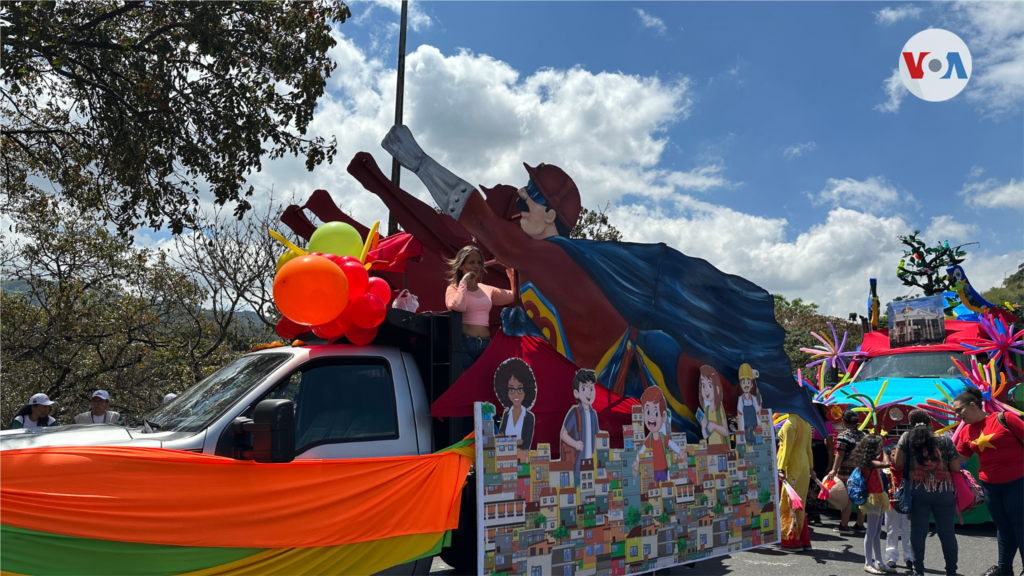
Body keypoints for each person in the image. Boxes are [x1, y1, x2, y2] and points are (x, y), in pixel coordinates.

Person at [954, 387, 1024, 576]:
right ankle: (1004, 570)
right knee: (1002, 527)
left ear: (973, 404)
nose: (957, 415)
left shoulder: (1005, 419)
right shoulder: (966, 431)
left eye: (959, 410)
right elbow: (959, 458)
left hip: (1018, 482)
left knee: (1020, 525)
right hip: (991, 486)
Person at [894, 409, 958, 576]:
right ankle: (951, 571)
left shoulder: (906, 437)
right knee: (947, 532)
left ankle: (918, 570)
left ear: (910, 424)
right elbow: (956, 467)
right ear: (930, 422)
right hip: (943, 489)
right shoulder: (945, 440)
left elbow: (898, 462)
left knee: (918, 531)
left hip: (917, 489)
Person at [445, 245, 515, 370]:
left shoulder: (487, 289)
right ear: (462, 266)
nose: (476, 266)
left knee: (484, 384)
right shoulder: (454, 288)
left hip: (486, 345)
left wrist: (509, 269)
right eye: (472, 262)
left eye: (479, 262)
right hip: (464, 345)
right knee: (467, 384)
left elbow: (515, 295)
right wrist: (464, 283)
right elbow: (457, 306)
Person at [851, 434, 892, 574]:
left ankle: (878, 561)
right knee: (871, 531)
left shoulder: (868, 461)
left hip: (879, 496)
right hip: (873, 498)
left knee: (877, 531)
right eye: (878, 447)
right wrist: (885, 450)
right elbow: (887, 463)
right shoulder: (869, 462)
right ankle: (868, 562)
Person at [777, 413, 814, 551]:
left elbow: (787, 448)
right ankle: (804, 540)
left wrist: (780, 468)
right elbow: (809, 449)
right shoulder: (805, 423)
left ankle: (791, 541)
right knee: (800, 503)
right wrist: (811, 468)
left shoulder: (789, 424)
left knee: (788, 503)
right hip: (804, 465)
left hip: (792, 465)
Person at [827, 409, 867, 533]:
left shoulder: (843, 436)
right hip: (860, 469)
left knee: (847, 497)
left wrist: (834, 469)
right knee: (859, 495)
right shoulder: (863, 435)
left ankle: (844, 525)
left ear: (844, 421)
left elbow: (840, 454)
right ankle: (859, 525)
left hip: (845, 469)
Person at [632, 386, 684, 481]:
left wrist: (680, 451)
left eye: (656, 413)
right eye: (648, 412)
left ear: (663, 416)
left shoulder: (663, 437)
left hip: (664, 470)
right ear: (644, 415)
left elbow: (671, 444)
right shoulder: (649, 439)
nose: (651, 416)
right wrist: (636, 461)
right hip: (653, 471)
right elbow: (641, 451)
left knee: (665, 488)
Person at [560, 369, 599, 486]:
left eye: (591, 388)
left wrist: (595, 456)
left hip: (590, 463)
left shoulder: (593, 414)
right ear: (576, 393)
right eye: (584, 388)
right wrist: (575, 444)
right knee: (578, 492)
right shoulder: (574, 412)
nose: (589, 393)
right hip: (577, 465)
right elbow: (563, 433)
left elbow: (596, 436)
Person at [494, 358, 537, 451]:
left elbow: (525, 445)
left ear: (526, 390)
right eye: (511, 389)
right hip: (504, 459)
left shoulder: (529, 417)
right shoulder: (506, 414)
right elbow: (499, 440)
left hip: (521, 461)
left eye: (520, 389)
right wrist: (517, 441)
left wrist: (506, 441)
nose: (516, 394)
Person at [883, 445, 913, 572]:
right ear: (889, 457)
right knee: (891, 531)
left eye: (900, 454)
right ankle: (891, 557)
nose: (897, 457)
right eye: (894, 454)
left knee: (908, 530)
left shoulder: (909, 470)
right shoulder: (886, 471)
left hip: (907, 505)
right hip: (891, 505)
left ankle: (909, 557)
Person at [698, 365, 729, 445]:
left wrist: (715, 426)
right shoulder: (707, 410)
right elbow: (705, 436)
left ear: (717, 389)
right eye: (703, 385)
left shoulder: (719, 408)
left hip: (721, 446)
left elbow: (725, 431)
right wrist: (703, 427)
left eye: (709, 385)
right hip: (711, 446)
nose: (705, 390)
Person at [736, 363, 761, 444]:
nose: (746, 385)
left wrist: (760, 427)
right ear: (741, 385)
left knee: (756, 444)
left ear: (751, 384)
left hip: (755, 428)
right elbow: (740, 417)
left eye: (748, 382)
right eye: (743, 383)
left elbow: (758, 414)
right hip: (746, 429)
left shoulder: (754, 399)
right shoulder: (741, 400)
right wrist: (741, 432)